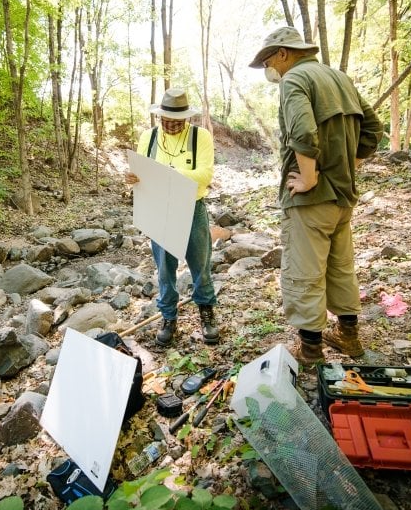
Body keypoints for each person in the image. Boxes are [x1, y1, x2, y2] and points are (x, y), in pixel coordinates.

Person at [249, 27, 383, 366]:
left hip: (312, 199)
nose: (270, 68)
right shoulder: (340, 78)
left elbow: (301, 130)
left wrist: (308, 177)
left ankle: (310, 351)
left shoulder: (294, 79)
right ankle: (349, 337)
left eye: (268, 59)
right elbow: (374, 128)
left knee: (304, 271)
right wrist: (348, 166)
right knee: (340, 266)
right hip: (343, 196)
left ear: (283, 53)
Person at [125, 88, 219, 347]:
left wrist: (167, 173)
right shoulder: (149, 137)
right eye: (165, 121)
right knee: (165, 269)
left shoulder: (201, 137)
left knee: (200, 264)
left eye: (176, 122)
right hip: (158, 207)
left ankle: (206, 311)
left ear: (187, 119)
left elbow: (205, 175)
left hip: (192, 206)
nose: (170, 125)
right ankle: (168, 316)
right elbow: (141, 172)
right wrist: (133, 177)